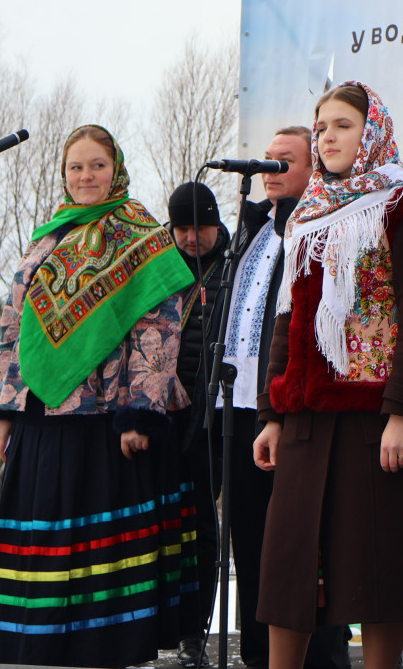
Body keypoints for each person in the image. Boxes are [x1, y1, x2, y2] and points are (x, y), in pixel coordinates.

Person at [0, 125, 196, 667]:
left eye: (97, 165)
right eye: (76, 167)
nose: (86, 176)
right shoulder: (48, 237)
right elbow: (16, 325)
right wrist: (4, 407)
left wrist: (139, 412)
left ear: (116, 169)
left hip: (104, 419)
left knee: (99, 555)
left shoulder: (141, 234)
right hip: (41, 416)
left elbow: (160, 328)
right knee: (42, 543)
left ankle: (100, 652)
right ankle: (38, 648)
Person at [254, 82, 403, 669]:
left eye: (342, 125)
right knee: (290, 570)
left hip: (373, 421)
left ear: (374, 131)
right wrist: (270, 415)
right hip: (307, 420)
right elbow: (289, 320)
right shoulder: (306, 214)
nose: (329, 137)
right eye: (321, 128)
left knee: (377, 572)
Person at [214, 126, 352, 669]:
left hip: (292, 409)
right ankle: (258, 655)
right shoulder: (253, 230)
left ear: (314, 168)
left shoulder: (320, 227)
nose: (270, 171)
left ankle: (321, 656)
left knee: (302, 545)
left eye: (284, 162)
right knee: (250, 540)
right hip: (240, 408)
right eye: (267, 161)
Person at [167, 180, 229, 667]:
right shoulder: (161, 270)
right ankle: (169, 629)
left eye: (202, 226)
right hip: (167, 421)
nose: (193, 237)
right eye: (183, 227)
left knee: (207, 533)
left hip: (218, 422)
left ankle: (197, 633)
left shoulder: (234, 266)